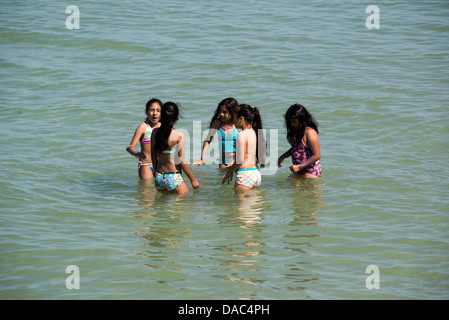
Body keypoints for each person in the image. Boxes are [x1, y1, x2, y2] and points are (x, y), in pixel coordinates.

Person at [151, 102, 200, 194]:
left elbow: (153, 156)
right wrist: (193, 179)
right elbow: (181, 161)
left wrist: (156, 174)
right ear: (177, 117)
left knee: (163, 205)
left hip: (159, 176)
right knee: (184, 204)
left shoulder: (154, 133)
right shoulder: (178, 135)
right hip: (172, 176)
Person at [221, 104, 265, 191]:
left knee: (241, 204)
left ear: (241, 118)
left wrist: (229, 171)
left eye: (234, 118)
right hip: (255, 173)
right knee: (254, 204)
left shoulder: (241, 134)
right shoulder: (253, 132)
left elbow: (240, 160)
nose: (233, 122)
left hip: (244, 175)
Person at [192, 97, 239, 169]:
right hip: (223, 161)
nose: (221, 114)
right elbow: (207, 140)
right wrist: (202, 159)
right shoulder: (217, 123)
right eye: (220, 111)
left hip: (237, 161)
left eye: (225, 112)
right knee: (221, 180)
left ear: (232, 112)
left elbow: (245, 146)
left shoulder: (238, 124)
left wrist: (234, 160)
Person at [277, 103, 322, 178]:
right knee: (285, 186)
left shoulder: (310, 133)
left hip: (311, 172)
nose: (291, 124)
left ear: (302, 119)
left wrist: (300, 167)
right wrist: (283, 156)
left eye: (294, 121)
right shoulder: (296, 132)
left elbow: (317, 155)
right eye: (290, 122)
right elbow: (297, 148)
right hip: (299, 171)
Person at [126, 98, 162, 180]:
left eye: (158, 110)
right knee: (147, 190)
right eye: (152, 110)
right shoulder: (143, 127)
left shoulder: (162, 127)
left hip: (161, 165)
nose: (155, 113)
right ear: (146, 112)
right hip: (146, 166)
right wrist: (137, 154)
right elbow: (130, 147)